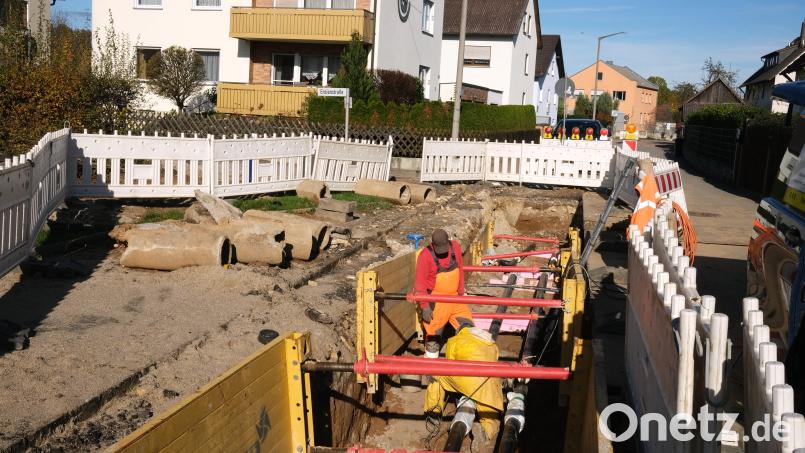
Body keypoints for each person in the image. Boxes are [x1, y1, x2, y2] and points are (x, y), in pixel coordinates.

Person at [423, 322, 503, 441]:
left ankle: (433, 412)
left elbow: (450, 366)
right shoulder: (492, 343)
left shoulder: (454, 340)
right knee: (488, 409)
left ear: (460, 331)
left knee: (437, 375)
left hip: (465, 379)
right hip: (487, 382)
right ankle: (486, 433)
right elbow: (495, 361)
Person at [413, 229, 473, 360]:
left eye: (444, 248)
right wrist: (425, 306)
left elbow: (460, 270)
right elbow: (420, 284)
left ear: (448, 242)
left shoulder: (455, 247)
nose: (442, 252)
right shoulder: (425, 256)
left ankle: (466, 362)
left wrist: (461, 292)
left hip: (455, 298)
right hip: (436, 299)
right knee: (434, 335)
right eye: (439, 248)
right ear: (433, 245)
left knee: (468, 327)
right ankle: (430, 363)